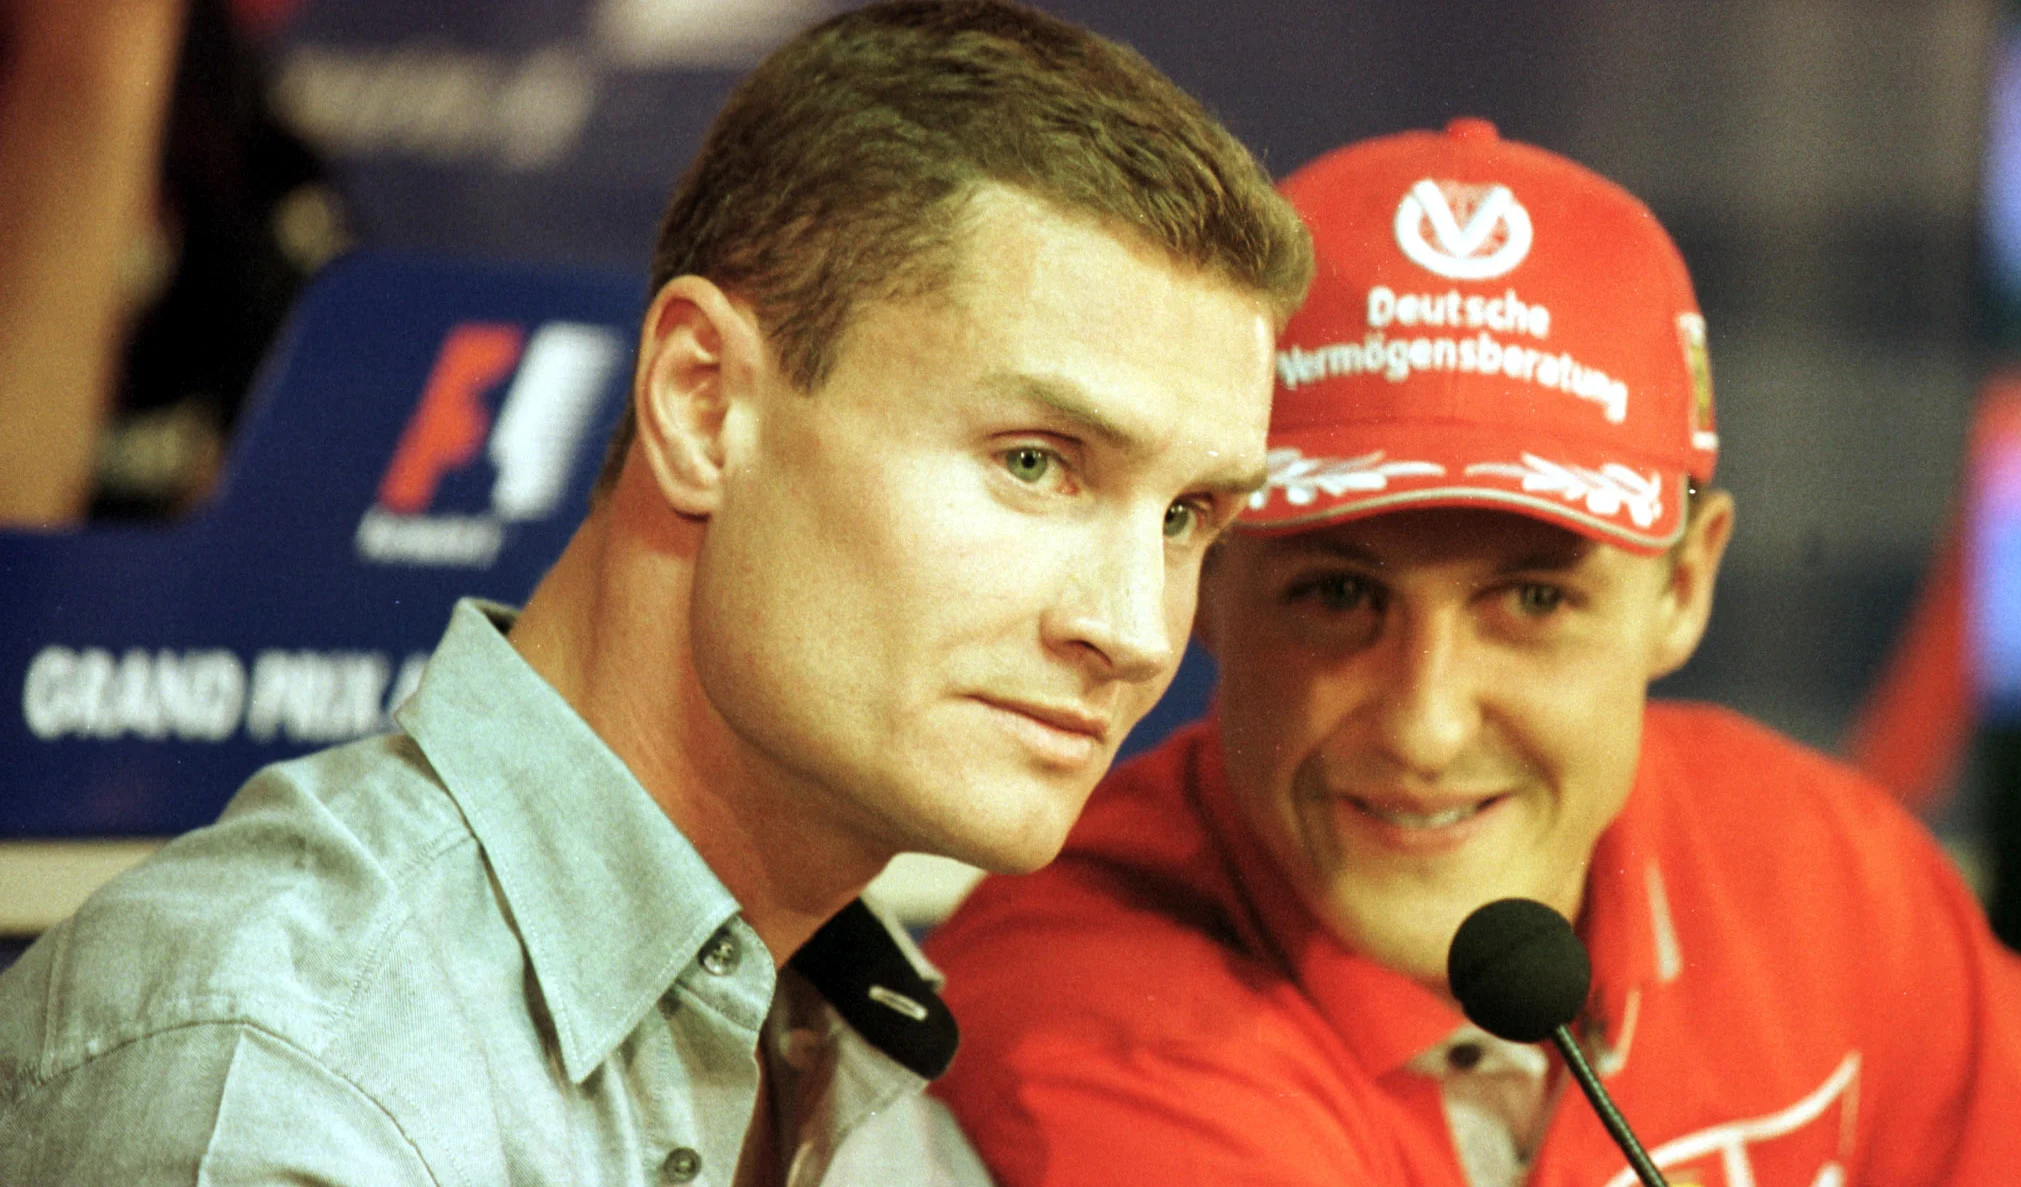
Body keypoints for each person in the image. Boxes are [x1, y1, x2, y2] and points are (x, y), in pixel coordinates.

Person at [0, 3, 1311, 1183]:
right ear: (701, 404)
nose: (1133, 627)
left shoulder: (873, 1094)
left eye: (1190, 515)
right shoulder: (289, 1071)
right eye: (1034, 463)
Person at [926, 119, 2021, 1187]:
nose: (1426, 722)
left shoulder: (1817, 867)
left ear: (1681, 589)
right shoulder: (1090, 1018)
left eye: (1533, 600)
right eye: (1337, 594)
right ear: (1215, 582)